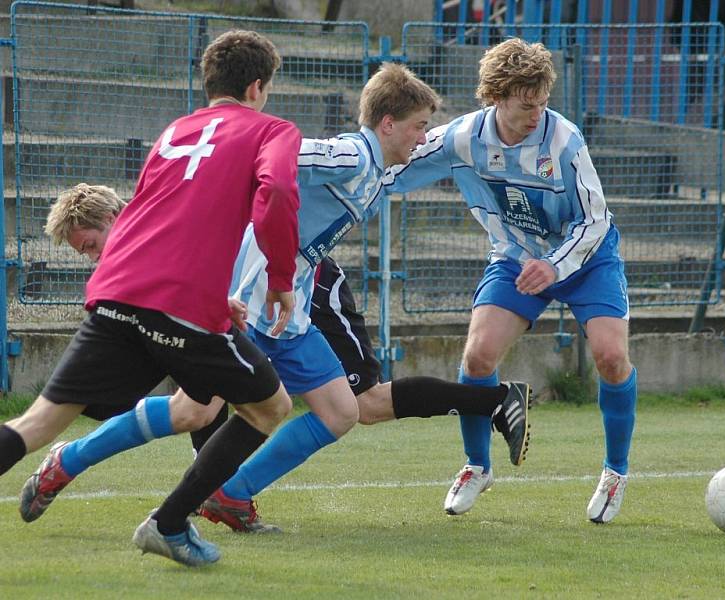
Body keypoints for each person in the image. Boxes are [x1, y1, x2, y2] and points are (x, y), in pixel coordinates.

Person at [18, 65, 531, 535]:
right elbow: (277, 155)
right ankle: (72, 460)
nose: (424, 138)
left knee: (339, 412)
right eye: (419, 126)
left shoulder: (378, 167)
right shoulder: (351, 152)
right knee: (193, 411)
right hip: (252, 292)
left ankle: (231, 494)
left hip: (291, 305)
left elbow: (438, 150)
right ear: (389, 123)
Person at [0, 29, 302, 567]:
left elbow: (151, 216)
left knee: (38, 423)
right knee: (269, 407)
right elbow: (277, 193)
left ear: (209, 82)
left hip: (116, 292)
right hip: (178, 303)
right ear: (258, 87)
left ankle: (76, 469)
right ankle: (167, 524)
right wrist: (280, 278)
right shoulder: (272, 129)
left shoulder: (174, 130)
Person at [383, 38, 638, 522]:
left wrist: (556, 266)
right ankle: (477, 466)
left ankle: (615, 471)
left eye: (543, 102)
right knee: (478, 356)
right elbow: (397, 163)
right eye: (527, 104)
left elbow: (595, 220)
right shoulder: (463, 138)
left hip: (587, 260)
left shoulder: (564, 140)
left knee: (610, 357)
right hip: (517, 258)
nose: (538, 113)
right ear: (496, 97)